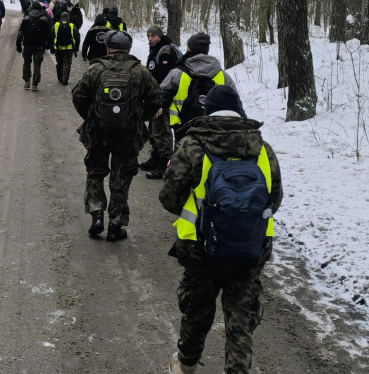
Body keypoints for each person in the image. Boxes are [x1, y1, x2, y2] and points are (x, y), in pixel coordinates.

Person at [159, 85, 283, 374]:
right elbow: (274, 198)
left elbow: (169, 197)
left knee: (198, 310)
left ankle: (186, 373)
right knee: (241, 319)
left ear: (207, 110)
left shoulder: (193, 145)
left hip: (201, 249)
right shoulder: (263, 148)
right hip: (250, 248)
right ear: (238, 110)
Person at [71, 30, 162, 241]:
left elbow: (78, 97)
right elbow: (156, 99)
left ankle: (96, 216)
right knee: (120, 180)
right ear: (129, 49)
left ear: (107, 48)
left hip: (97, 134)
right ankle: (115, 225)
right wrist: (139, 117)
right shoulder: (140, 71)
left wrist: (91, 117)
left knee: (95, 173)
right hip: (128, 136)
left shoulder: (95, 69)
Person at [161, 31, 245, 132]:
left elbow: (160, 99)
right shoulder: (223, 75)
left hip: (184, 130)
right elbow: (237, 105)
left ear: (189, 49)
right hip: (217, 131)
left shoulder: (177, 73)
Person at [140, 24, 181, 180]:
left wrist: (161, 104)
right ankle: (155, 158)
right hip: (154, 98)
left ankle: (164, 164)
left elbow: (166, 80)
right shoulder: (157, 49)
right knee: (153, 130)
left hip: (162, 100)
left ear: (159, 36)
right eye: (148, 35)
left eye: (153, 36)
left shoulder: (166, 53)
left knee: (162, 132)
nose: (150, 39)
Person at [16, 0, 50, 90]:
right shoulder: (43, 20)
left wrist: (18, 45)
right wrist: (48, 45)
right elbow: (48, 34)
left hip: (27, 45)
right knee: (37, 64)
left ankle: (27, 82)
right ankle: (35, 84)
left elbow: (20, 33)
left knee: (26, 63)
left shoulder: (26, 19)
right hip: (39, 46)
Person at [51, 11, 80, 85]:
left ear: (61, 17)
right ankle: (65, 79)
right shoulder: (72, 25)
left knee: (59, 63)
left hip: (58, 48)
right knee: (67, 64)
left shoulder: (56, 25)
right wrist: (76, 48)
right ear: (68, 17)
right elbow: (77, 37)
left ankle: (60, 78)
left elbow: (51, 36)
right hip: (69, 48)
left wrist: (51, 47)